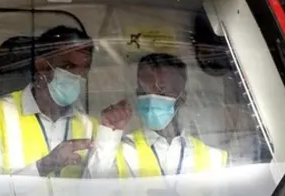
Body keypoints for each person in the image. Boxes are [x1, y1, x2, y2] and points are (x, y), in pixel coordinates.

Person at [0, 24, 100, 177]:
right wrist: (43, 166)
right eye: (68, 66)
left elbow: (100, 190)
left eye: (83, 69)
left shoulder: (89, 126)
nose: (76, 76)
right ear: (42, 66)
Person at [85, 52, 229, 179]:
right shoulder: (121, 150)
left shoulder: (213, 158)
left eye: (162, 92)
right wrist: (108, 133)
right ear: (137, 94)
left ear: (182, 97)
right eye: (145, 91)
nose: (152, 98)